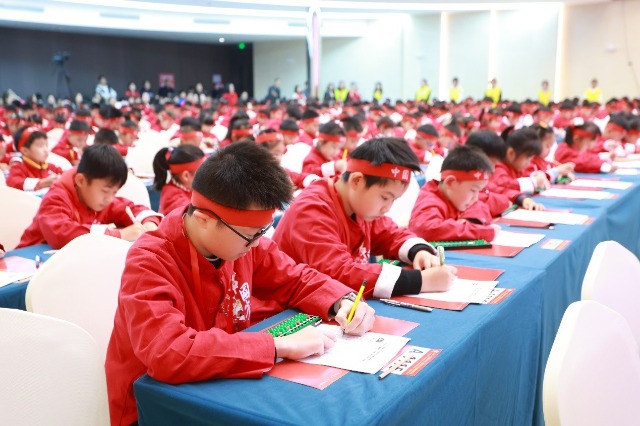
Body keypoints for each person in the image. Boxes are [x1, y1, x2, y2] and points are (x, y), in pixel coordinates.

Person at [105, 141, 375, 425]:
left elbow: (295, 278)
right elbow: (168, 353)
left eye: (263, 231)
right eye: (251, 235)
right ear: (204, 219)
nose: (258, 243)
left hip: (222, 384)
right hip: (154, 406)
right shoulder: (150, 261)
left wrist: (342, 300)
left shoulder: (243, 244)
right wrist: (277, 346)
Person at [273, 137, 456, 299]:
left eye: (394, 200)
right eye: (385, 197)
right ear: (357, 181)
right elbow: (338, 274)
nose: (387, 208)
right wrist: (420, 281)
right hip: (285, 311)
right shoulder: (312, 211)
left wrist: (419, 251)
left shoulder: (359, 205)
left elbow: (389, 233)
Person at [17, 144, 161, 249]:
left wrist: (149, 223)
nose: (109, 199)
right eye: (105, 191)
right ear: (81, 181)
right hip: (28, 266)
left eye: (114, 192)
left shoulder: (97, 199)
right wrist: (120, 234)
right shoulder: (56, 198)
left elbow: (129, 208)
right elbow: (60, 234)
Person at [409, 145, 500, 242]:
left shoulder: (454, 197)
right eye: (473, 190)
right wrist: (481, 232)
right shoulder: (430, 202)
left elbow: (481, 206)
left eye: (479, 191)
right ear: (450, 183)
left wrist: (468, 221)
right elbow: (428, 230)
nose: (476, 198)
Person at [486, 128, 546, 210]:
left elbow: (528, 172)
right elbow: (502, 186)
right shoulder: (498, 168)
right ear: (511, 153)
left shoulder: (515, 167)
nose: (528, 163)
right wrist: (533, 182)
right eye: (527, 158)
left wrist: (538, 175)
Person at [153, 145, 205, 215]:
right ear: (186, 176)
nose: (207, 176)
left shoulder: (188, 187)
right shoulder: (174, 198)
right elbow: (195, 217)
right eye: (203, 173)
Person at [6, 126, 62, 191]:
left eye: (46, 145)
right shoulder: (19, 166)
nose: (46, 150)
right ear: (25, 151)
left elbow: (66, 175)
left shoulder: (51, 167)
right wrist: (41, 183)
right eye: (40, 146)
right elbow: (12, 181)